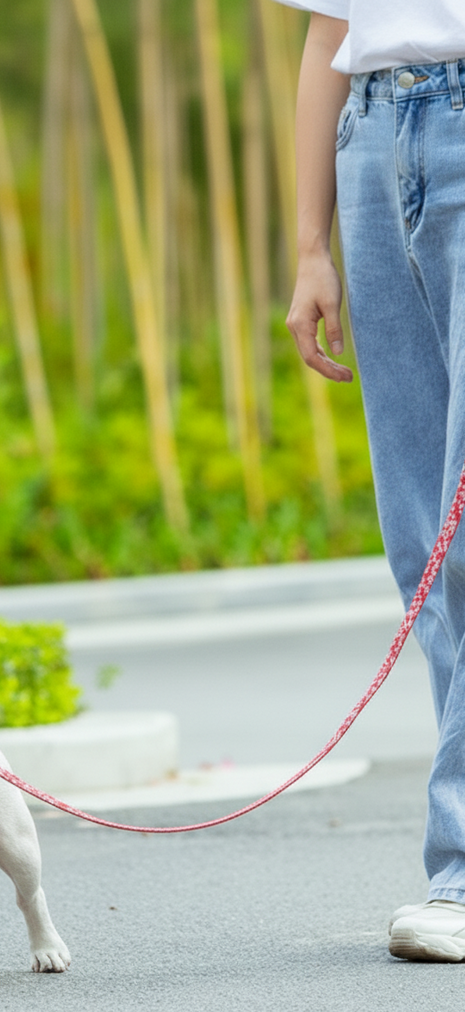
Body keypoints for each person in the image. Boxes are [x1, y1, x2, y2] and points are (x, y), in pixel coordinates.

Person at [273, 0, 465, 961]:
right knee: (423, 541)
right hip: (376, 142)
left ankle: (462, 864)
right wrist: (312, 246)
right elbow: (327, 34)